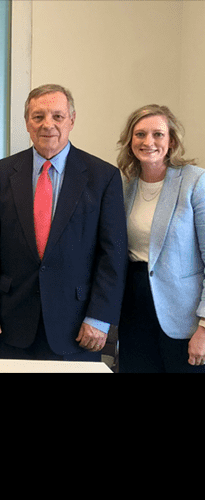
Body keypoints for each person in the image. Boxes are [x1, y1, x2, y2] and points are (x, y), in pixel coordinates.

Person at [0, 84, 128, 362]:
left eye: (57, 116)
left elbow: (112, 255)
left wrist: (100, 317)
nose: (48, 125)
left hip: (78, 323)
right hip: (12, 319)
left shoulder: (102, 176)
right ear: (27, 123)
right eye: (38, 116)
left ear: (72, 120)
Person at [116, 105, 205, 372]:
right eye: (140, 134)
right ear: (130, 141)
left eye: (158, 134)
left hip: (184, 319)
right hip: (134, 311)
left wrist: (204, 326)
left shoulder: (194, 182)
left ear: (172, 141)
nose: (148, 142)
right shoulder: (125, 184)